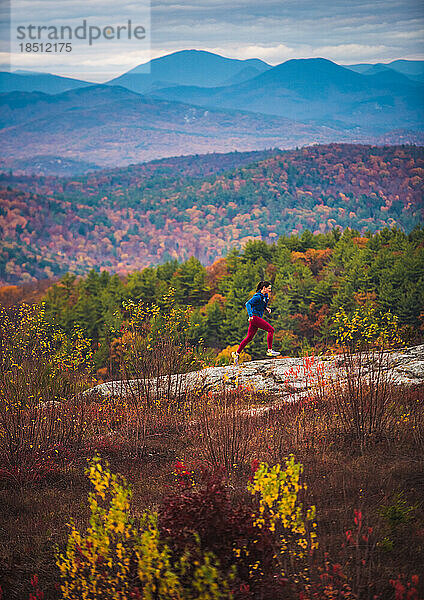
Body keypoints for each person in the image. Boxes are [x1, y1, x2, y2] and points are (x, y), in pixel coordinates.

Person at [232, 280, 280, 365]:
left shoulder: (266, 296)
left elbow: (262, 305)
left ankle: (236, 354)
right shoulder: (257, 297)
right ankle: (269, 350)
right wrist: (250, 315)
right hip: (254, 317)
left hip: (255, 318)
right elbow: (248, 304)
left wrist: (266, 308)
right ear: (264, 288)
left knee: (249, 338)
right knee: (271, 330)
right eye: (269, 288)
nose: (270, 290)